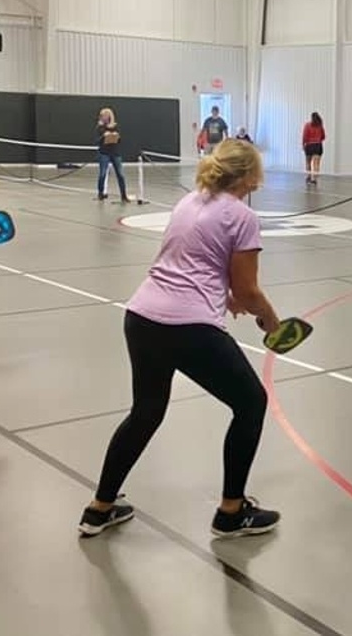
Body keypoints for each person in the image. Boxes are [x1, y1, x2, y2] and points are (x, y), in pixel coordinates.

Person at [78, 138, 283, 539]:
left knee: (147, 410)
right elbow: (249, 292)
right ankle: (231, 512)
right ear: (250, 176)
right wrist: (271, 322)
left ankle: (99, 508)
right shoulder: (241, 216)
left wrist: (223, 296)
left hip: (142, 317)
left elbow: (187, 261)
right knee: (251, 403)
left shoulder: (191, 201)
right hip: (188, 328)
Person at [96, 107, 131, 203]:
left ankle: (124, 195)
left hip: (115, 153)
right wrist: (104, 136)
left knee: (120, 174)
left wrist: (116, 136)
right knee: (102, 174)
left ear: (109, 117)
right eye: (102, 116)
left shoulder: (115, 126)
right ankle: (100, 193)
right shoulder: (100, 127)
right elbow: (97, 141)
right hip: (104, 153)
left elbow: (119, 140)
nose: (103, 118)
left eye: (105, 116)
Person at [302, 112, 325, 185]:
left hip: (309, 146)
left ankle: (308, 177)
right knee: (316, 164)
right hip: (318, 145)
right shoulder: (320, 126)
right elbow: (323, 136)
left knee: (308, 162)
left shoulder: (307, 125)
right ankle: (314, 180)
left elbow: (304, 136)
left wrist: (303, 144)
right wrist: (318, 139)